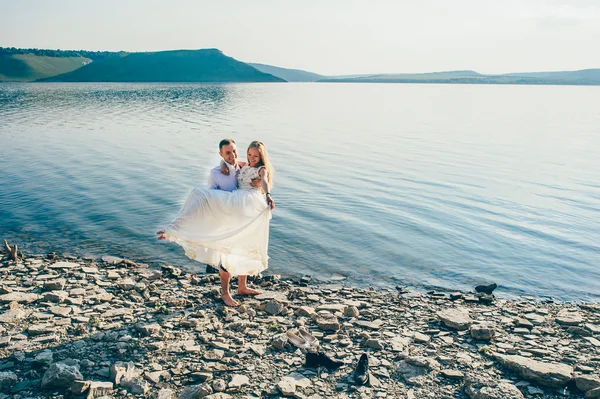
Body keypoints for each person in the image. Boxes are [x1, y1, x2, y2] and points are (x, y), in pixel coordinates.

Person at [157, 139, 275, 307]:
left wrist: (268, 194)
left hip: (248, 210)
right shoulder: (230, 169)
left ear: (261, 156)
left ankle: (242, 286)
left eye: (255, 155)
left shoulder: (254, 168)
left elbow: (263, 180)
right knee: (225, 250)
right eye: (249, 154)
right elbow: (215, 192)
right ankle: (225, 293)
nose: (251, 158)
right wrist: (222, 164)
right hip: (230, 211)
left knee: (245, 245)